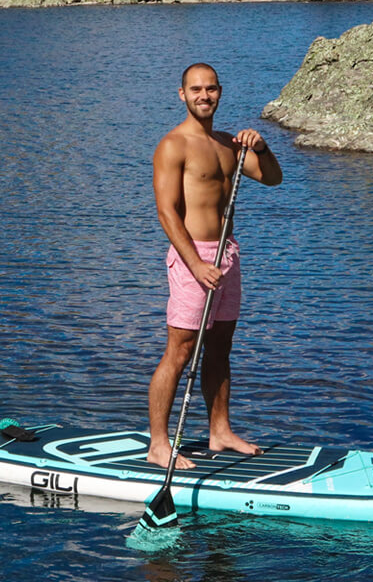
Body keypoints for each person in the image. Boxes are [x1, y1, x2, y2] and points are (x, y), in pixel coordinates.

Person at [146, 62, 282, 469]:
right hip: (193, 258)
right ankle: (158, 443)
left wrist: (261, 147)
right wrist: (195, 264)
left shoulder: (229, 143)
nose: (204, 96)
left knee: (221, 346)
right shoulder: (174, 145)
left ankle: (219, 432)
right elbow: (166, 212)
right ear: (182, 94)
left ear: (220, 92)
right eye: (196, 89)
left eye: (211, 89)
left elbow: (272, 179)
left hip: (227, 254)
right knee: (180, 350)